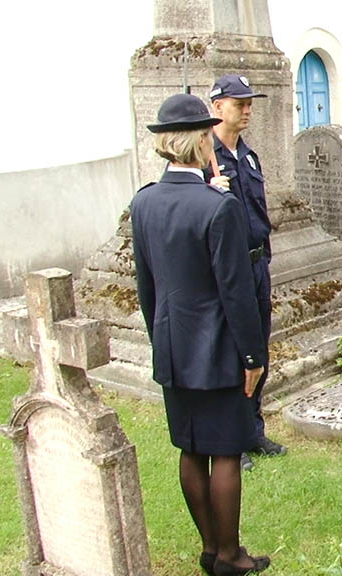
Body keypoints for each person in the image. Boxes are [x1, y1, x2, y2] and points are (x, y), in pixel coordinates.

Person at [132, 93, 272, 575]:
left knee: (192, 449)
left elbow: (146, 287)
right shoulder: (218, 206)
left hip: (173, 345)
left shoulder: (145, 201)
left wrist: (161, 339)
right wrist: (253, 356)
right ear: (201, 144)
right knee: (226, 450)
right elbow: (236, 294)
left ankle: (211, 549)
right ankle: (230, 556)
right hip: (218, 351)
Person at [206, 74, 286, 471]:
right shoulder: (204, 159)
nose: (247, 109)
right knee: (235, 355)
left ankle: (253, 430)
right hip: (229, 272)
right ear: (217, 107)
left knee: (259, 347)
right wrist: (209, 191)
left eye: (249, 102)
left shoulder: (249, 156)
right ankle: (231, 439)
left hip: (257, 265)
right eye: (239, 103)